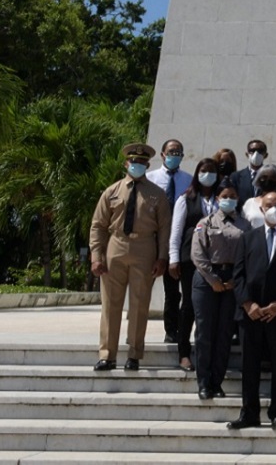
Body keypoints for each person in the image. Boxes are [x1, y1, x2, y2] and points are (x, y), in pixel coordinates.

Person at [89, 142, 172, 372]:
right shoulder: (112, 191)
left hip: (145, 247)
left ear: (147, 165)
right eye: (133, 162)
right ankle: (107, 354)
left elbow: (165, 229)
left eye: (142, 162)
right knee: (110, 304)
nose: (137, 165)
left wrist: (162, 257)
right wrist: (97, 255)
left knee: (139, 304)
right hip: (115, 245)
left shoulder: (157, 194)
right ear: (126, 163)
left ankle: (134, 354)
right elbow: (98, 225)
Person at [228, 191, 276, 430]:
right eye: (269, 205)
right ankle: (249, 412)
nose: (274, 209)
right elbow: (237, 276)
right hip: (252, 314)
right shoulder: (248, 238)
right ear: (261, 209)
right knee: (249, 365)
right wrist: (248, 304)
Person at [191, 180, 249, 399]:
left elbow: (248, 254)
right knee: (205, 332)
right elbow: (197, 254)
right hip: (206, 280)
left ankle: (217, 381)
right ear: (217, 199)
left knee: (224, 333)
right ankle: (203, 382)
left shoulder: (244, 225)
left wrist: (236, 280)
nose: (228, 199)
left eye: (232, 196)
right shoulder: (205, 223)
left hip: (233, 279)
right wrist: (212, 279)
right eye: (224, 196)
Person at [168, 158, 220, 371]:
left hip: (216, 261)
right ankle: (184, 352)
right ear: (197, 174)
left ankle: (208, 352)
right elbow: (176, 231)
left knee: (212, 308)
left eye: (211, 171)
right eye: (204, 170)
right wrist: (174, 258)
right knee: (188, 306)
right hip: (190, 260)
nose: (207, 174)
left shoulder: (222, 199)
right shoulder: (185, 199)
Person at [148, 139, 192, 344]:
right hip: (154, 239)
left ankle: (173, 330)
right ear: (163, 154)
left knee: (174, 290)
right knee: (155, 287)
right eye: (171, 151)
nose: (175, 155)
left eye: (179, 152)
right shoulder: (150, 179)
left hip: (180, 240)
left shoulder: (189, 180)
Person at [232, 139, 269, 206]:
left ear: (266, 155)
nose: (256, 154)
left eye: (260, 151)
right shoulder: (236, 177)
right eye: (252, 151)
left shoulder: (271, 177)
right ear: (247, 154)